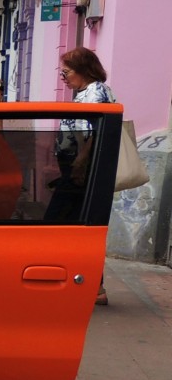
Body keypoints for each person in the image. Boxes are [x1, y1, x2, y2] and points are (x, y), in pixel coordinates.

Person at [58, 46, 117, 305]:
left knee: (66, 223)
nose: (64, 77)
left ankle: (93, 287)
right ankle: (96, 288)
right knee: (82, 228)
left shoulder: (95, 92)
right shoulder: (86, 92)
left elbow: (91, 134)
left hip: (83, 168)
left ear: (83, 70)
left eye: (67, 72)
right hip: (76, 165)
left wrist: (80, 164)